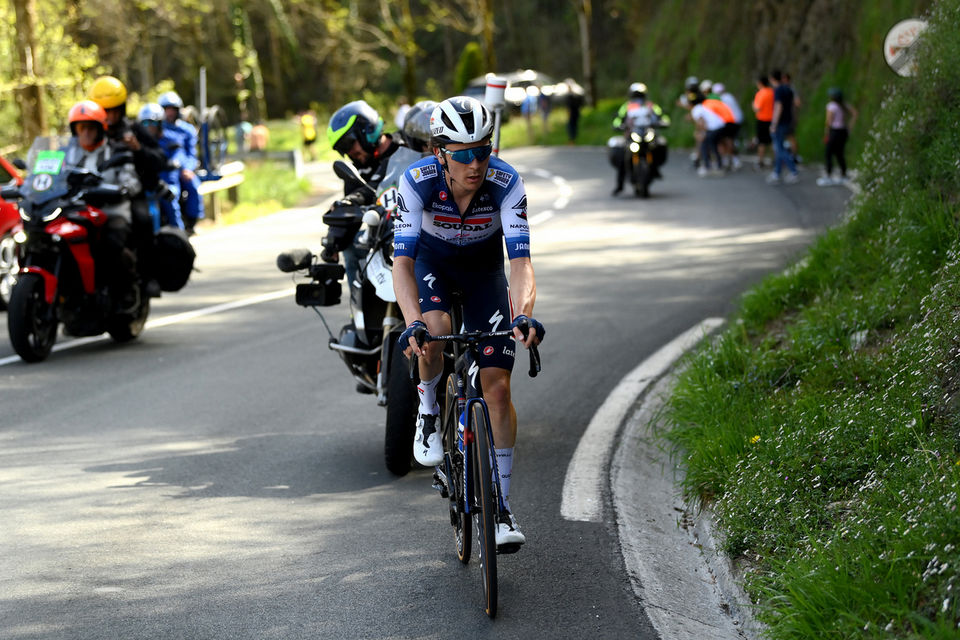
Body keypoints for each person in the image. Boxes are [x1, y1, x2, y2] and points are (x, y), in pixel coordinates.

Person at [393, 96, 544, 550]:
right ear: (440, 153)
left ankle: (500, 509)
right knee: (434, 330)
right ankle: (428, 411)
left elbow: (520, 262)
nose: (475, 163)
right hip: (433, 264)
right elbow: (402, 263)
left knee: (497, 387)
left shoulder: (506, 181)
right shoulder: (416, 182)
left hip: (484, 272)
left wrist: (523, 315)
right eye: (462, 154)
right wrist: (412, 322)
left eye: (483, 149)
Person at [64, 100, 141, 311]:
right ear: (75, 130)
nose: (86, 133)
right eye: (81, 128)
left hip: (110, 211)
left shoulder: (116, 151)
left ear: (100, 129)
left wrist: (121, 189)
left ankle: (125, 290)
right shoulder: (67, 154)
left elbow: (132, 181)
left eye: (90, 128)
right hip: (75, 211)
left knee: (111, 244)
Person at [158, 91, 205, 232]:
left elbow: (192, 154)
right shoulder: (158, 129)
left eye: (172, 110)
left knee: (193, 186)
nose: (169, 113)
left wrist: (188, 169)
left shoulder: (187, 130)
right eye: (166, 110)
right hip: (165, 168)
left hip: (184, 167)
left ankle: (191, 222)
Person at [611, 82, 667, 194]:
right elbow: (618, 120)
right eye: (636, 95)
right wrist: (618, 125)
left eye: (640, 95)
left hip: (647, 134)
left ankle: (655, 170)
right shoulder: (626, 106)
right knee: (624, 155)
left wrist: (663, 122)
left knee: (657, 147)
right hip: (632, 135)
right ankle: (620, 184)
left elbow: (662, 117)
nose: (638, 98)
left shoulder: (651, 106)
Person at [138, 103, 185, 229]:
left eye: (152, 123)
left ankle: (178, 234)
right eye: (144, 124)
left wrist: (173, 163)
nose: (148, 128)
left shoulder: (172, 139)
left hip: (168, 183)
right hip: (146, 185)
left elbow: (179, 156)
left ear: (160, 124)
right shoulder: (138, 144)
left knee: (169, 200)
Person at [818, 88, 858, 186]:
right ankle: (843, 174)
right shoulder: (844, 105)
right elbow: (855, 113)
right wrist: (850, 126)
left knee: (828, 153)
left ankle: (828, 175)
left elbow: (828, 122)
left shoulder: (831, 106)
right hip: (843, 131)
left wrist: (827, 133)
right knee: (839, 153)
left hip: (834, 131)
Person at [766, 70, 799, 184]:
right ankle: (777, 172)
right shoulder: (788, 89)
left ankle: (793, 171)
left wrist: (774, 123)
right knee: (779, 147)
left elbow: (778, 106)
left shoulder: (778, 90)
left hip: (779, 123)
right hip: (788, 121)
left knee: (779, 148)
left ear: (772, 78)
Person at [690, 92, 727, 177]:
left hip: (713, 127)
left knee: (704, 145)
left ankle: (708, 167)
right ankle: (718, 166)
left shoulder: (696, 109)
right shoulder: (702, 107)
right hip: (720, 125)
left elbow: (701, 122)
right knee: (713, 145)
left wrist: (700, 133)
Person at [712, 82, 744, 170]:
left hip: (731, 121)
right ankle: (731, 159)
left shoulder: (722, 99)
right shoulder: (729, 96)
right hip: (737, 120)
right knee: (729, 140)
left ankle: (732, 160)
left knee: (727, 140)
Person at [752, 75, 774, 169]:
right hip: (772, 119)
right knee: (772, 141)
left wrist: (752, 104)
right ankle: (775, 160)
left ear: (760, 83)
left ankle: (760, 161)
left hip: (762, 120)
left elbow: (757, 108)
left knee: (762, 142)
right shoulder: (772, 92)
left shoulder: (761, 93)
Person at [564, 79, 584, 144]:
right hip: (576, 113)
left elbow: (569, 106)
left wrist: (568, 113)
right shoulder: (577, 95)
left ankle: (572, 140)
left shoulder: (570, 95)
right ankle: (572, 140)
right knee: (573, 126)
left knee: (571, 127)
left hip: (572, 113)